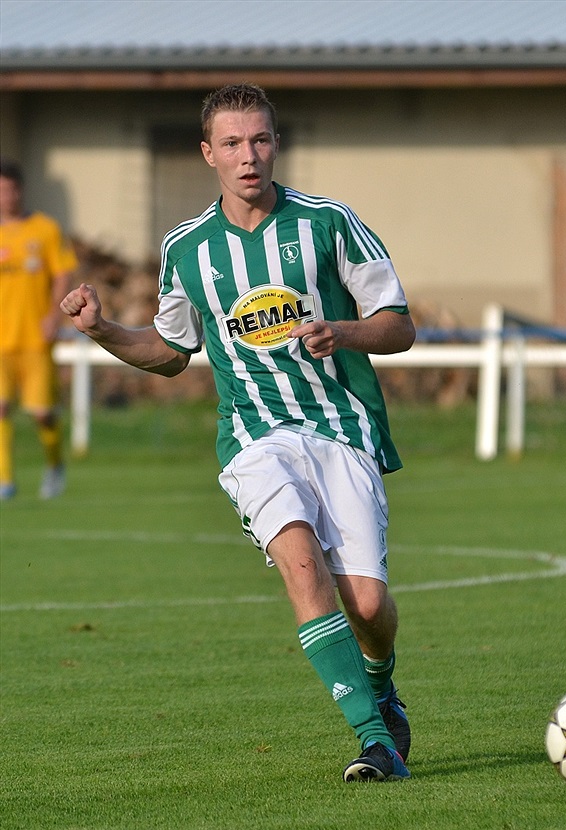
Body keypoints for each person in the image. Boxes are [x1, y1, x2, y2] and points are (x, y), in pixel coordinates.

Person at [60, 83, 415, 782]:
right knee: (302, 568)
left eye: (259, 140)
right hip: (254, 435)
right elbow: (168, 353)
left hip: (342, 429)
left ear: (275, 145)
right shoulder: (186, 248)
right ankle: (375, 742)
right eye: (232, 143)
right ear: (207, 154)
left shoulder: (330, 223)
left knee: (368, 605)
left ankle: (381, 685)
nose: (248, 156)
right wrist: (100, 329)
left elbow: (398, 324)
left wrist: (342, 330)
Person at [0, 160, 78, 500]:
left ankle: (54, 465)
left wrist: (52, 316)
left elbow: (63, 272)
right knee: (0, 407)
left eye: (11, 190)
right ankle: (5, 480)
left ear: (21, 191)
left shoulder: (44, 229)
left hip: (34, 337)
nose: (6, 197)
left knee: (42, 413)